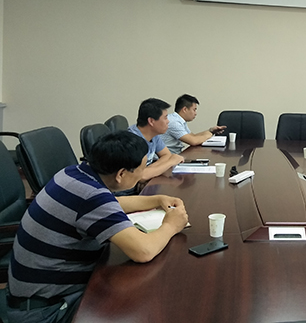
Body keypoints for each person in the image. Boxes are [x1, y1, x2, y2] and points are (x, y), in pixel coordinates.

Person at [7, 131, 189, 323]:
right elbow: (143, 251)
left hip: (34, 295)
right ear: (121, 174)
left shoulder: (73, 173)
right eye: (140, 169)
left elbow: (110, 204)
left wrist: (156, 199)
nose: (142, 175)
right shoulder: (92, 197)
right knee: (145, 306)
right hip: (46, 311)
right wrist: (171, 225)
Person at [128, 98, 184, 181]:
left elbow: (166, 155)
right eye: (165, 118)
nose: (168, 121)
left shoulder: (153, 134)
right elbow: (140, 176)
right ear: (151, 121)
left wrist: (149, 171)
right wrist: (171, 162)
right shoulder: (132, 141)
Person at [160, 94, 226, 154]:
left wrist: (211, 130)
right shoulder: (174, 122)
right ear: (185, 109)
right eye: (194, 110)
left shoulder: (179, 120)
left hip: (174, 156)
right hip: (165, 158)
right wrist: (210, 134)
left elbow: (193, 136)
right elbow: (193, 141)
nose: (195, 113)